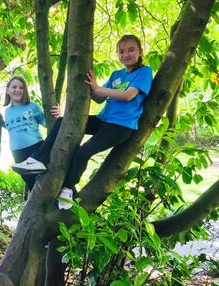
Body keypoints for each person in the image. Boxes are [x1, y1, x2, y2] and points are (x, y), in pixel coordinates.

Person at [12, 35, 153, 209]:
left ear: (140, 52)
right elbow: (99, 98)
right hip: (103, 119)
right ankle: (37, 160)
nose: (126, 54)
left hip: (121, 126)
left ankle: (67, 189)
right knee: (64, 122)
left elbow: (128, 95)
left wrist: (100, 88)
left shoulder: (144, 71)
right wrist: (91, 85)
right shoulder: (117, 74)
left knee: (83, 151)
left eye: (131, 50)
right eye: (121, 51)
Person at [4, 76, 60, 191]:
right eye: (14, 87)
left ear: (25, 91)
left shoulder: (32, 106)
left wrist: (58, 114)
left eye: (21, 88)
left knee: (49, 181)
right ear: (7, 90)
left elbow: (48, 124)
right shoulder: (6, 111)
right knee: (33, 187)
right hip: (17, 153)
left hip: (37, 149)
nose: (18, 90)